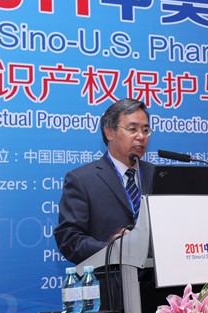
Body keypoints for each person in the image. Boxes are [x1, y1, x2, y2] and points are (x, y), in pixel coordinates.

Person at [54, 98, 155, 265]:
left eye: (145, 130)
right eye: (132, 129)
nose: (141, 136)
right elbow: (69, 239)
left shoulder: (156, 174)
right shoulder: (82, 179)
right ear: (109, 133)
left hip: (158, 278)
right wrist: (112, 249)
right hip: (111, 277)